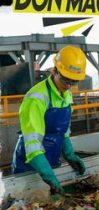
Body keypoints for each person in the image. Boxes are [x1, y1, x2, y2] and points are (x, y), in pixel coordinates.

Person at [12, 45, 87, 193]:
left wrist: (70, 155)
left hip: (52, 161)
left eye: (74, 82)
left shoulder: (66, 94)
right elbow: (33, 146)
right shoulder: (36, 99)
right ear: (54, 70)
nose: (69, 86)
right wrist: (48, 174)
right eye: (66, 80)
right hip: (30, 165)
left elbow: (63, 132)